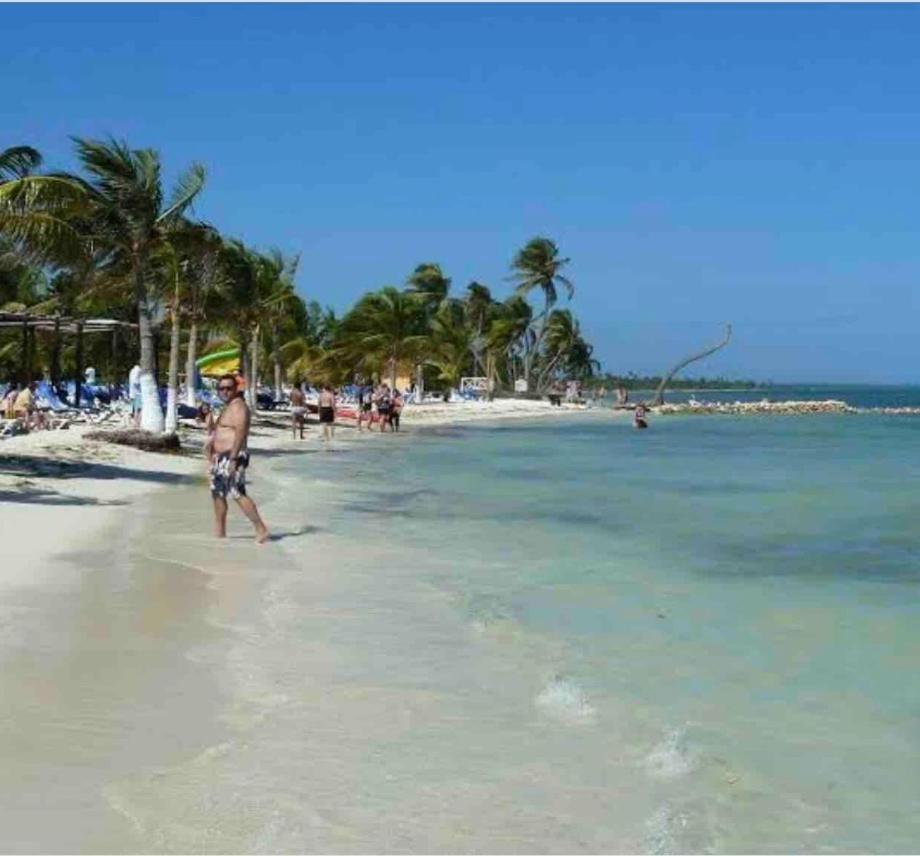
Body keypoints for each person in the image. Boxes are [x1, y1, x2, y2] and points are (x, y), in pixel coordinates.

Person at [208, 374, 269, 543]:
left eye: (229, 388)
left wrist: (234, 459)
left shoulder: (238, 407)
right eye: (222, 388)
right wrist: (212, 451)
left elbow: (241, 432)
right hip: (221, 458)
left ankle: (260, 529)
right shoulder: (228, 407)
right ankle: (220, 533)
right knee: (217, 494)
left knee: (237, 492)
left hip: (232, 456)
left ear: (236, 389)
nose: (225, 391)